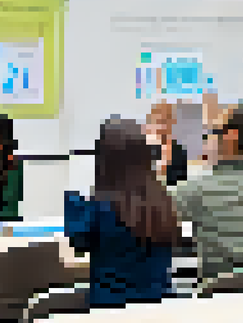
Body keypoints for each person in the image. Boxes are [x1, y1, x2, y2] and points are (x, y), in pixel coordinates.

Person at [67, 117, 185, 308]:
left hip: (110, 311)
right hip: (160, 310)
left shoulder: (100, 207)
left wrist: (72, 198)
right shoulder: (163, 200)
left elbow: (78, 243)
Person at [171, 101, 243, 292]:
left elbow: (155, 213)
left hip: (218, 294)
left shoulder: (195, 188)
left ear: (231, 136)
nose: (206, 138)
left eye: (212, 132)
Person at [145, 101, 189, 187]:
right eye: (158, 122)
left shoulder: (180, 152)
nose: (162, 126)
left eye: (165, 121)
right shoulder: (146, 151)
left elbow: (181, 183)